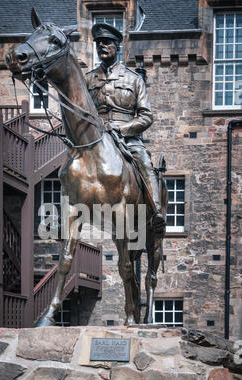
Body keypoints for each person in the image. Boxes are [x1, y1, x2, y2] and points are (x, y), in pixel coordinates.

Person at [85, 23, 166, 233]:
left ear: (117, 47)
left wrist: (121, 129)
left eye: (106, 42)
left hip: (126, 137)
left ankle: (156, 209)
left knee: (144, 161)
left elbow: (147, 116)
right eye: (98, 43)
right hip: (96, 137)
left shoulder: (133, 79)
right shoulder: (88, 79)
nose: (101, 46)